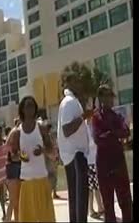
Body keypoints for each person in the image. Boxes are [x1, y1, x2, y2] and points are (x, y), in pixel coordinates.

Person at [11, 96, 56, 222]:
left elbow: (52, 151)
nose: (30, 109)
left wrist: (42, 151)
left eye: (32, 106)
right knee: (28, 218)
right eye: (27, 106)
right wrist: (21, 156)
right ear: (22, 110)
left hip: (41, 178)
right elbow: (13, 155)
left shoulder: (41, 129)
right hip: (26, 181)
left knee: (46, 218)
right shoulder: (17, 132)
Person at [91, 85, 132, 222]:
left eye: (111, 96)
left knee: (125, 200)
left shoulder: (117, 116)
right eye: (107, 96)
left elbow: (126, 131)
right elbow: (98, 138)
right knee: (108, 203)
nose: (110, 99)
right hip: (103, 164)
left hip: (118, 161)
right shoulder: (96, 118)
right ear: (101, 98)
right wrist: (115, 133)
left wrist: (110, 133)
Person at [57, 71, 91, 222]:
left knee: (77, 199)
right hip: (75, 156)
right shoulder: (69, 102)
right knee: (80, 198)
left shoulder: (72, 101)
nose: (80, 84)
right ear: (69, 82)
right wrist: (83, 117)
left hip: (75, 155)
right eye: (76, 81)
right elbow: (67, 130)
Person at [87, 119, 104, 219]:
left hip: (94, 160)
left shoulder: (92, 125)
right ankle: (91, 209)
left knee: (96, 186)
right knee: (91, 187)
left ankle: (100, 207)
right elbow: (91, 143)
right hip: (90, 161)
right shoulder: (86, 128)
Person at [4, 125, 22, 222]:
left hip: (13, 166)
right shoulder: (16, 132)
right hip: (14, 166)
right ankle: (8, 220)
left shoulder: (14, 132)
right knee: (14, 200)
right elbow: (15, 153)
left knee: (16, 201)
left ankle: (16, 220)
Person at [44, 125, 61, 200]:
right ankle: (49, 193)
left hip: (54, 159)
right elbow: (46, 151)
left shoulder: (52, 138)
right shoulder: (45, 139)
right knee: (50, 177)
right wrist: (52, 157)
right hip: (49, 160)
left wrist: (57, 157)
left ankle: (54, 192)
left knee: (54, 177)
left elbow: (56, 148)